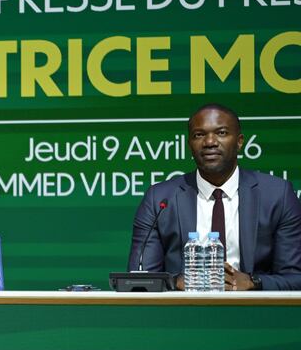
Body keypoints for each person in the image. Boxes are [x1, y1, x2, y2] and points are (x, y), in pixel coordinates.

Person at [128, 103, 301, 290]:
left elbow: (295, 278)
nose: (210, 142)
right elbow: (140, 278)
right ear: (189, 145)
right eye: (199, 135)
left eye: (221, 133)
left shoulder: (277, 195)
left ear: (239, 141)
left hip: (255, 307)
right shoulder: (160, 199)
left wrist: (253, 283)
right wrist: (175, 282)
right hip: (182, 307)